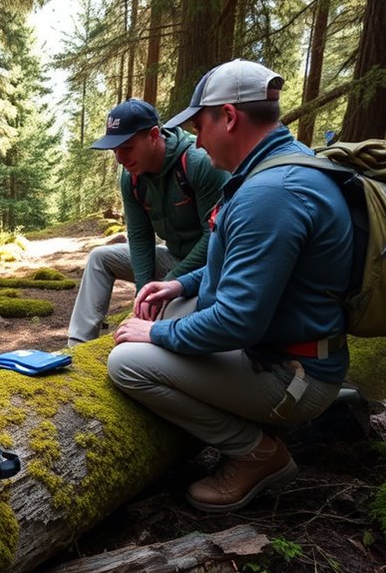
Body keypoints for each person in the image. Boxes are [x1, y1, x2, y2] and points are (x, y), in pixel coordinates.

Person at [107, 59, 353, 512]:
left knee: (127, 363)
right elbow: (236, 266)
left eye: (200, 125)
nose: (197, 140)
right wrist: (179, 286)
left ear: (229, 117)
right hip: (282, 351)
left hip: (290, 375)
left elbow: (237, 321)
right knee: (166, 316)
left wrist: (156, 334)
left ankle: (257, 453)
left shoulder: (270, 194)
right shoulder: (276, 171)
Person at [68, 99, 228, 347]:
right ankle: (77, 347)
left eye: (127, 148)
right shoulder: (132, 176)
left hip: (208, 270)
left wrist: (169, 283)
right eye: (115, 150)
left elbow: (215, 236)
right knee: (100, 258)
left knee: (167, 316)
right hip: (172, 259)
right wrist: (144, 292)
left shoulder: (198, 163)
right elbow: (140, 236)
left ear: (154, 135)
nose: (120, 158)